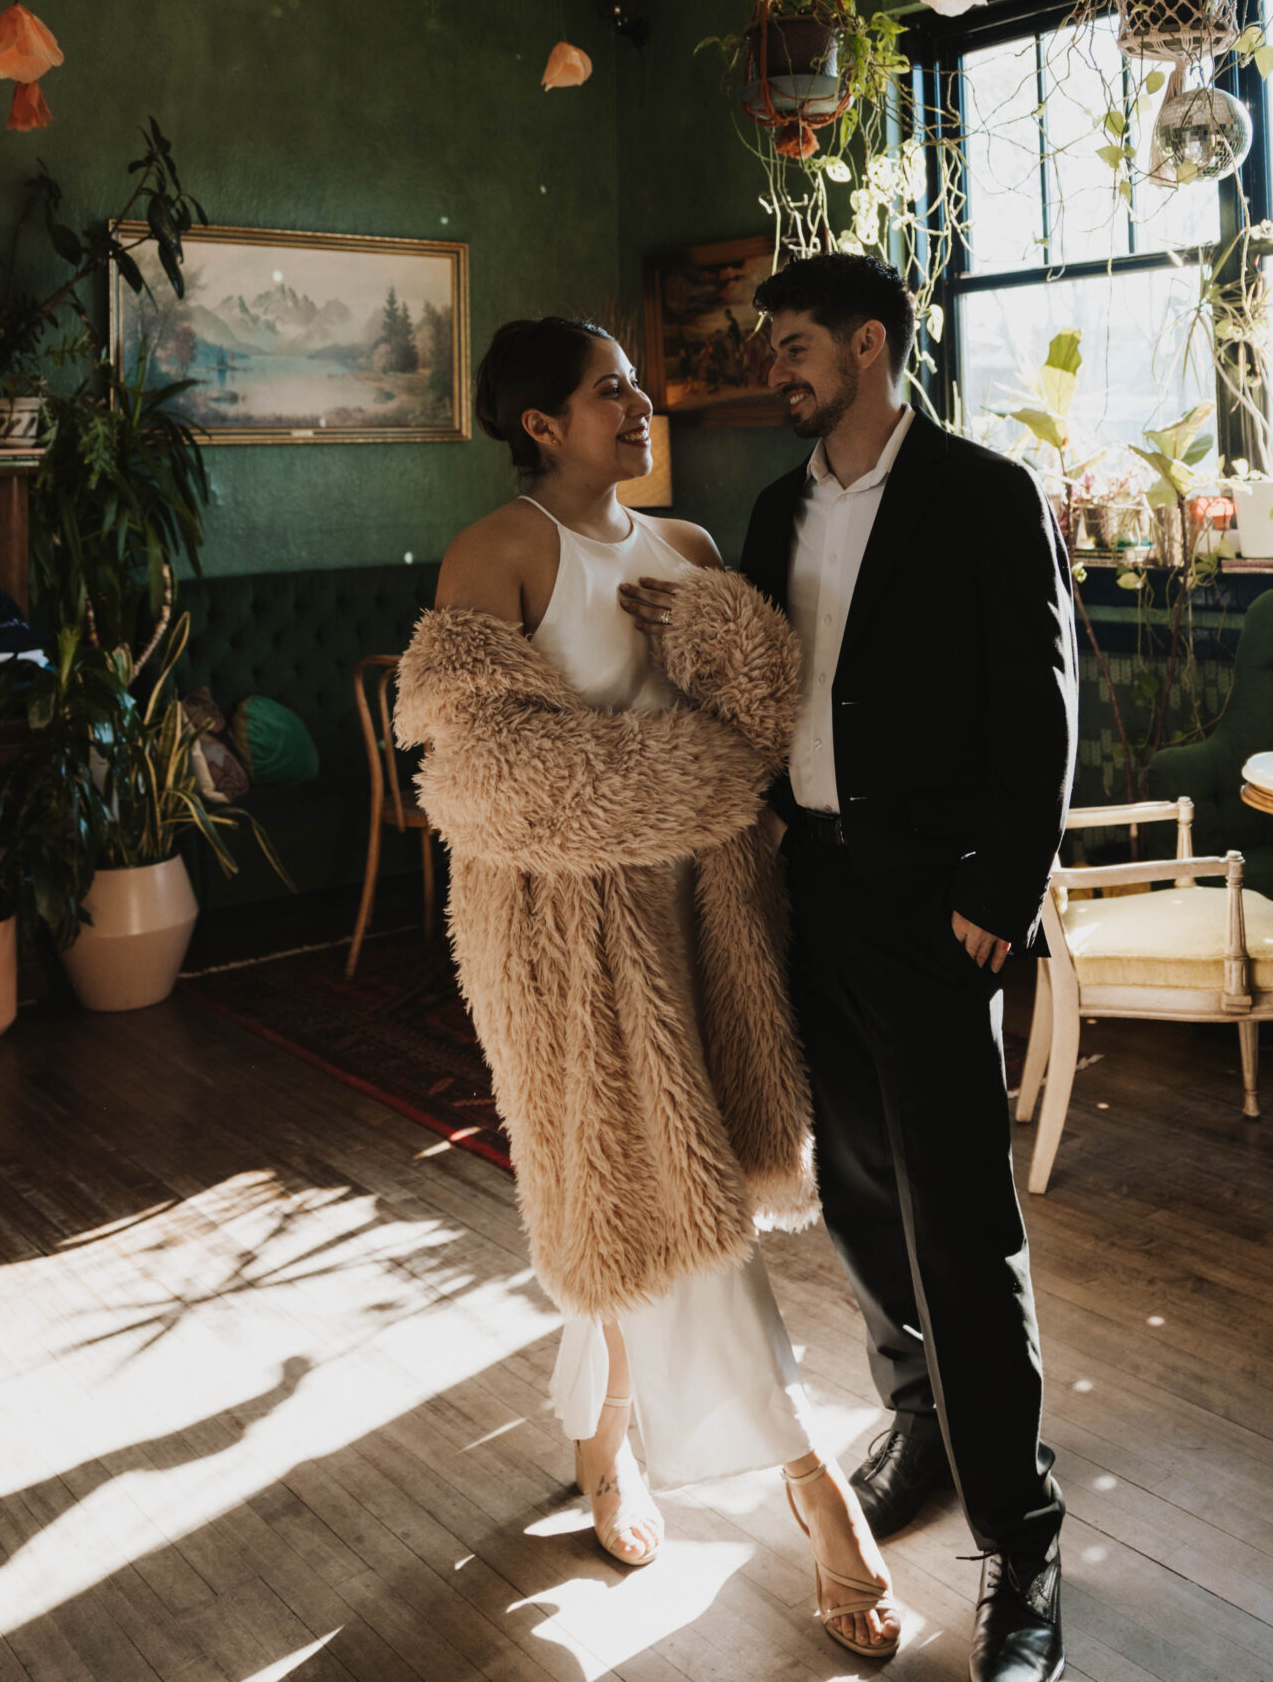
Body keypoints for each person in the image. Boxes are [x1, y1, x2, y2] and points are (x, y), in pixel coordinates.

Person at [395, 316, 902, 1660]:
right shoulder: (497, 554)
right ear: (541, 424)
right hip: (560, 944)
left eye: (635, 382)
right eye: (608, 389)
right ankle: (817, 1491)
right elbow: (484, 783)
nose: (641, 402)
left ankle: (602, 1438)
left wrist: (722, 707)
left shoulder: (684, 552)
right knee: (665, 1205)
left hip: (708, 926)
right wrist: (688, 784)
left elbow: (763, 727)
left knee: (651, 1196)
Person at [740, 253, 1078, 1682]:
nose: (780, 368)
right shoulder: (775, 510)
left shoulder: (987, 496)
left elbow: (1042, 706)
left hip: (942, 914)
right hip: (811, 897)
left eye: (800, 344)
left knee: (963, 1227)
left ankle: (1022, 1539)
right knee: (862, 1195)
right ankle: (922, 1423)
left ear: (871, 346)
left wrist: (1000, 895)